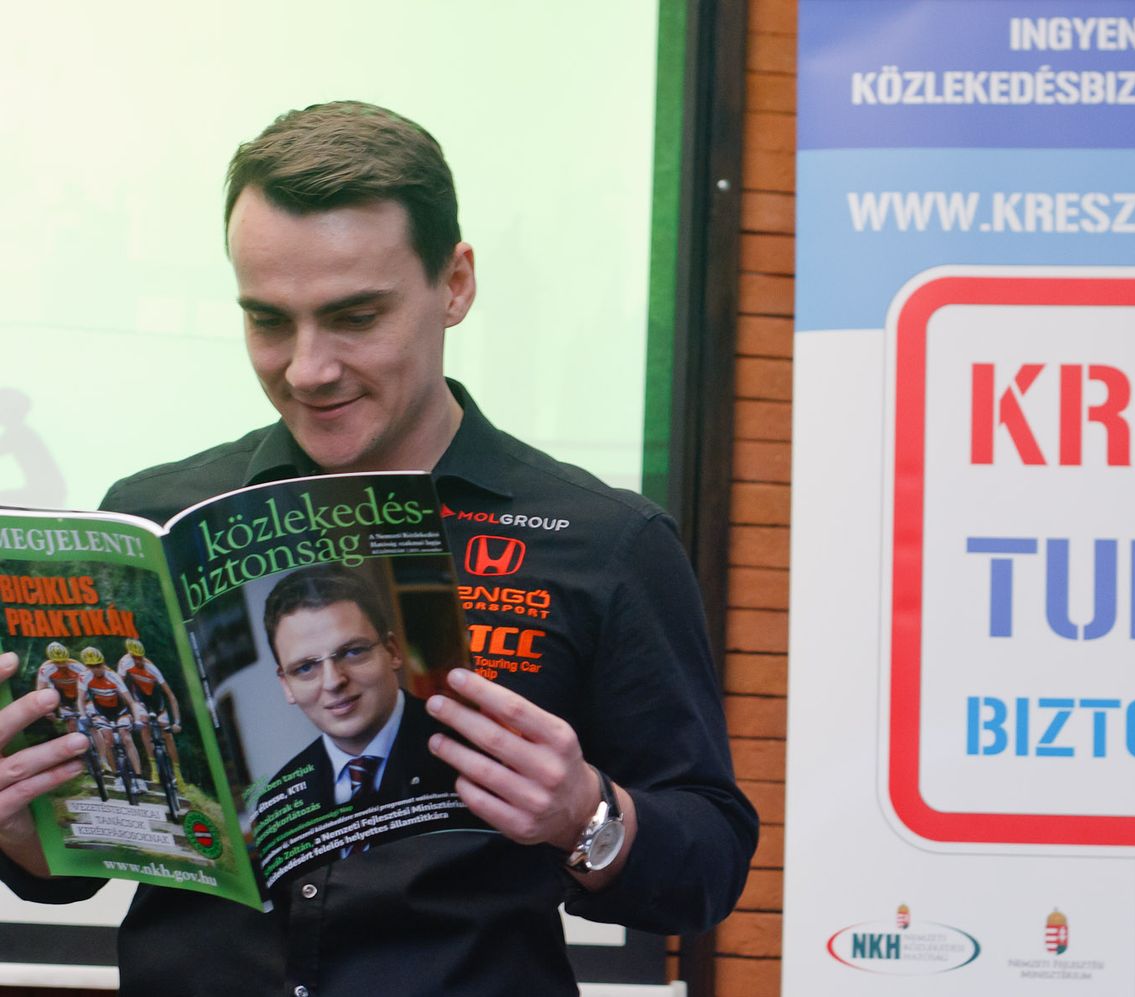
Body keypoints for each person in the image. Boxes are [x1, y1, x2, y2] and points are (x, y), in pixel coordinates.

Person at [0, 100, 755, 996]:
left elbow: (708, 862)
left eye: (355, 316)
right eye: (268, 321)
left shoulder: (604, 542)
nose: (307, 368)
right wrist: (19, 818)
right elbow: (68, 868)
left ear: (455, 284)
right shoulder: (155, 513)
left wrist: (584, 811)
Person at [253, 564, 475, 858]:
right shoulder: (277, 804)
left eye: (353, 651)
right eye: (305, 668)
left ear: (392, 651)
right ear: (286, 685)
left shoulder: (471, 750)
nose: (333, 682)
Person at [75, 646, 147, 787]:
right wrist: (83, 715)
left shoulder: (113, 676)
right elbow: (80, 700)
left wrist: (138, 719)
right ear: (87, 666)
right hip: (101, 712)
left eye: (98, 665)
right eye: (92, 666)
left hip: (119, 710)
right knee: (107, 740)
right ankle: (117, 775)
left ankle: (139, 777)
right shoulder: (84, 677)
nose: (96, 669)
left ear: (103, 663)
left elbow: (131, 701)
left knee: (126, 737)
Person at [115, 638, 182, 783]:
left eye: (140, 657)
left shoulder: (151, 668)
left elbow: (171, 696)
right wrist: (125, 711)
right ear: (129, 654)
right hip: (139, 696)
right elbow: (119, 687)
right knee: (144, 727)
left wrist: (177, 722)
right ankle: (154, 768)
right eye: (135, 658)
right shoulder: (124, 662)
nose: (138, 661)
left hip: (156, 698)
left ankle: (178, 772)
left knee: (167, 734)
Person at [34, 642, 86, 724]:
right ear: (52, 660)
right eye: (58, 662)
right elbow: (40, 690)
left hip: (81, 695)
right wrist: (47, 711)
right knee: (71, 724)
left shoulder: (78, 667)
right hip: (64, 697)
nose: (62, 665)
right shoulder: (45, 669)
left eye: (64, 661)